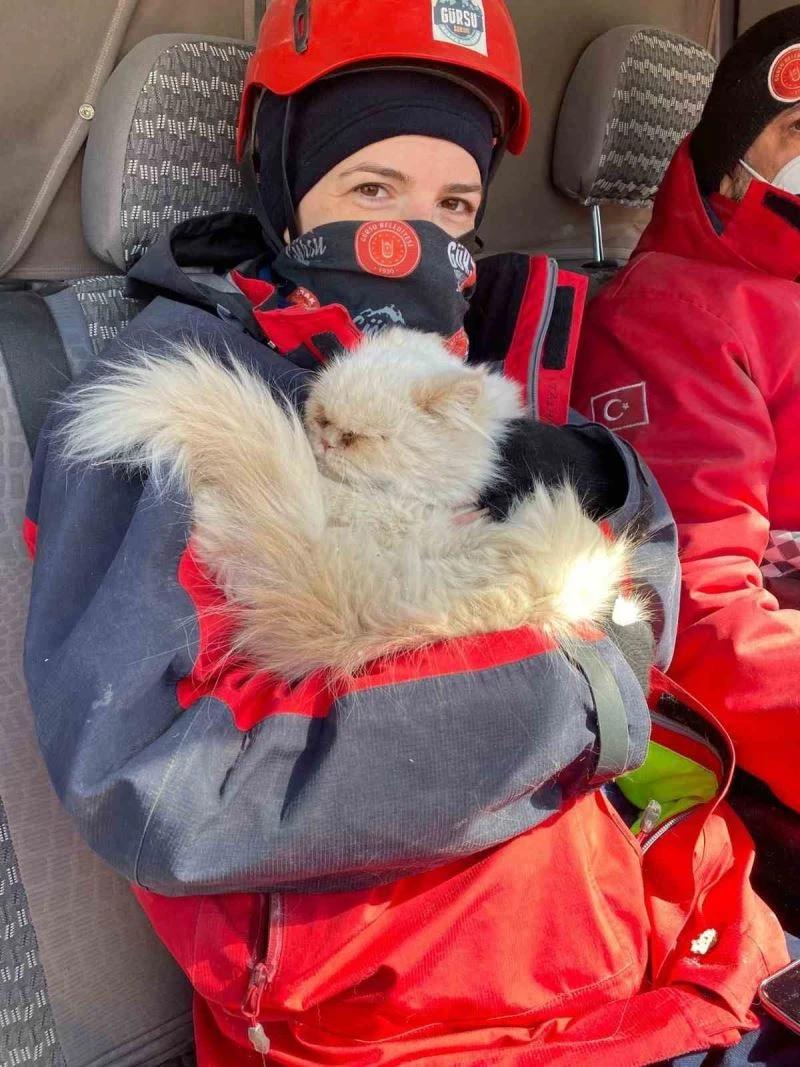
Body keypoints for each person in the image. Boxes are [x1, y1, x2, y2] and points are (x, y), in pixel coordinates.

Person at [22, 1, 791, 1063]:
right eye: (371, 188)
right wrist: (570, 693)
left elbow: (652, 600)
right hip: (410, 1019)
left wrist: (607, 481)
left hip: (651, 937)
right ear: (287, 187)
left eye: (454, 203)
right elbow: (164, 787)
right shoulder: (172, 407)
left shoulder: (502, 339)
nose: (409, 239)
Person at [572, 8, 800, 823]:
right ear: (733, 165)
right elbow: (702, 620)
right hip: (758, 769)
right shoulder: (675, 316)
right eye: (799, 130)